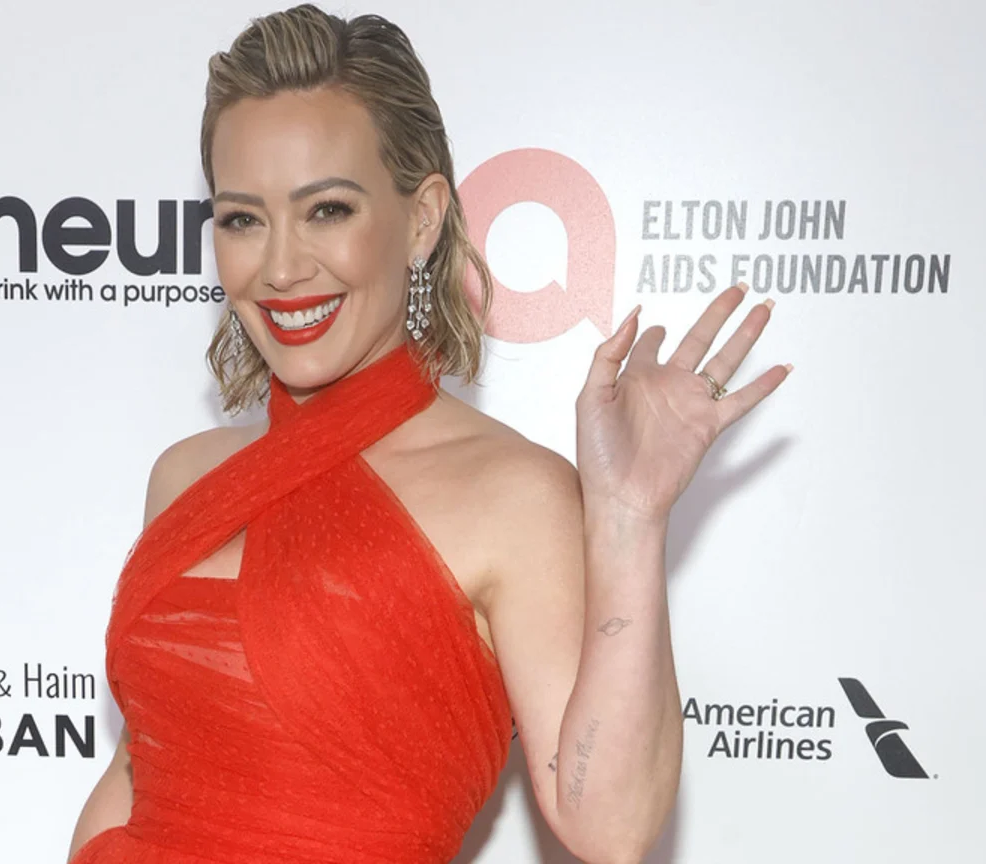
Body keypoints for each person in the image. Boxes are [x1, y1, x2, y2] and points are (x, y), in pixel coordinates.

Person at [67, 5, 790, 863]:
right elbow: (139, 767)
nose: (282, 265)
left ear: (421, 219)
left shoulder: (513, 496)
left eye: (326, 210)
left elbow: (613, 826)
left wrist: (630, 520)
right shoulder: (185, 476)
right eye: (242, 219)